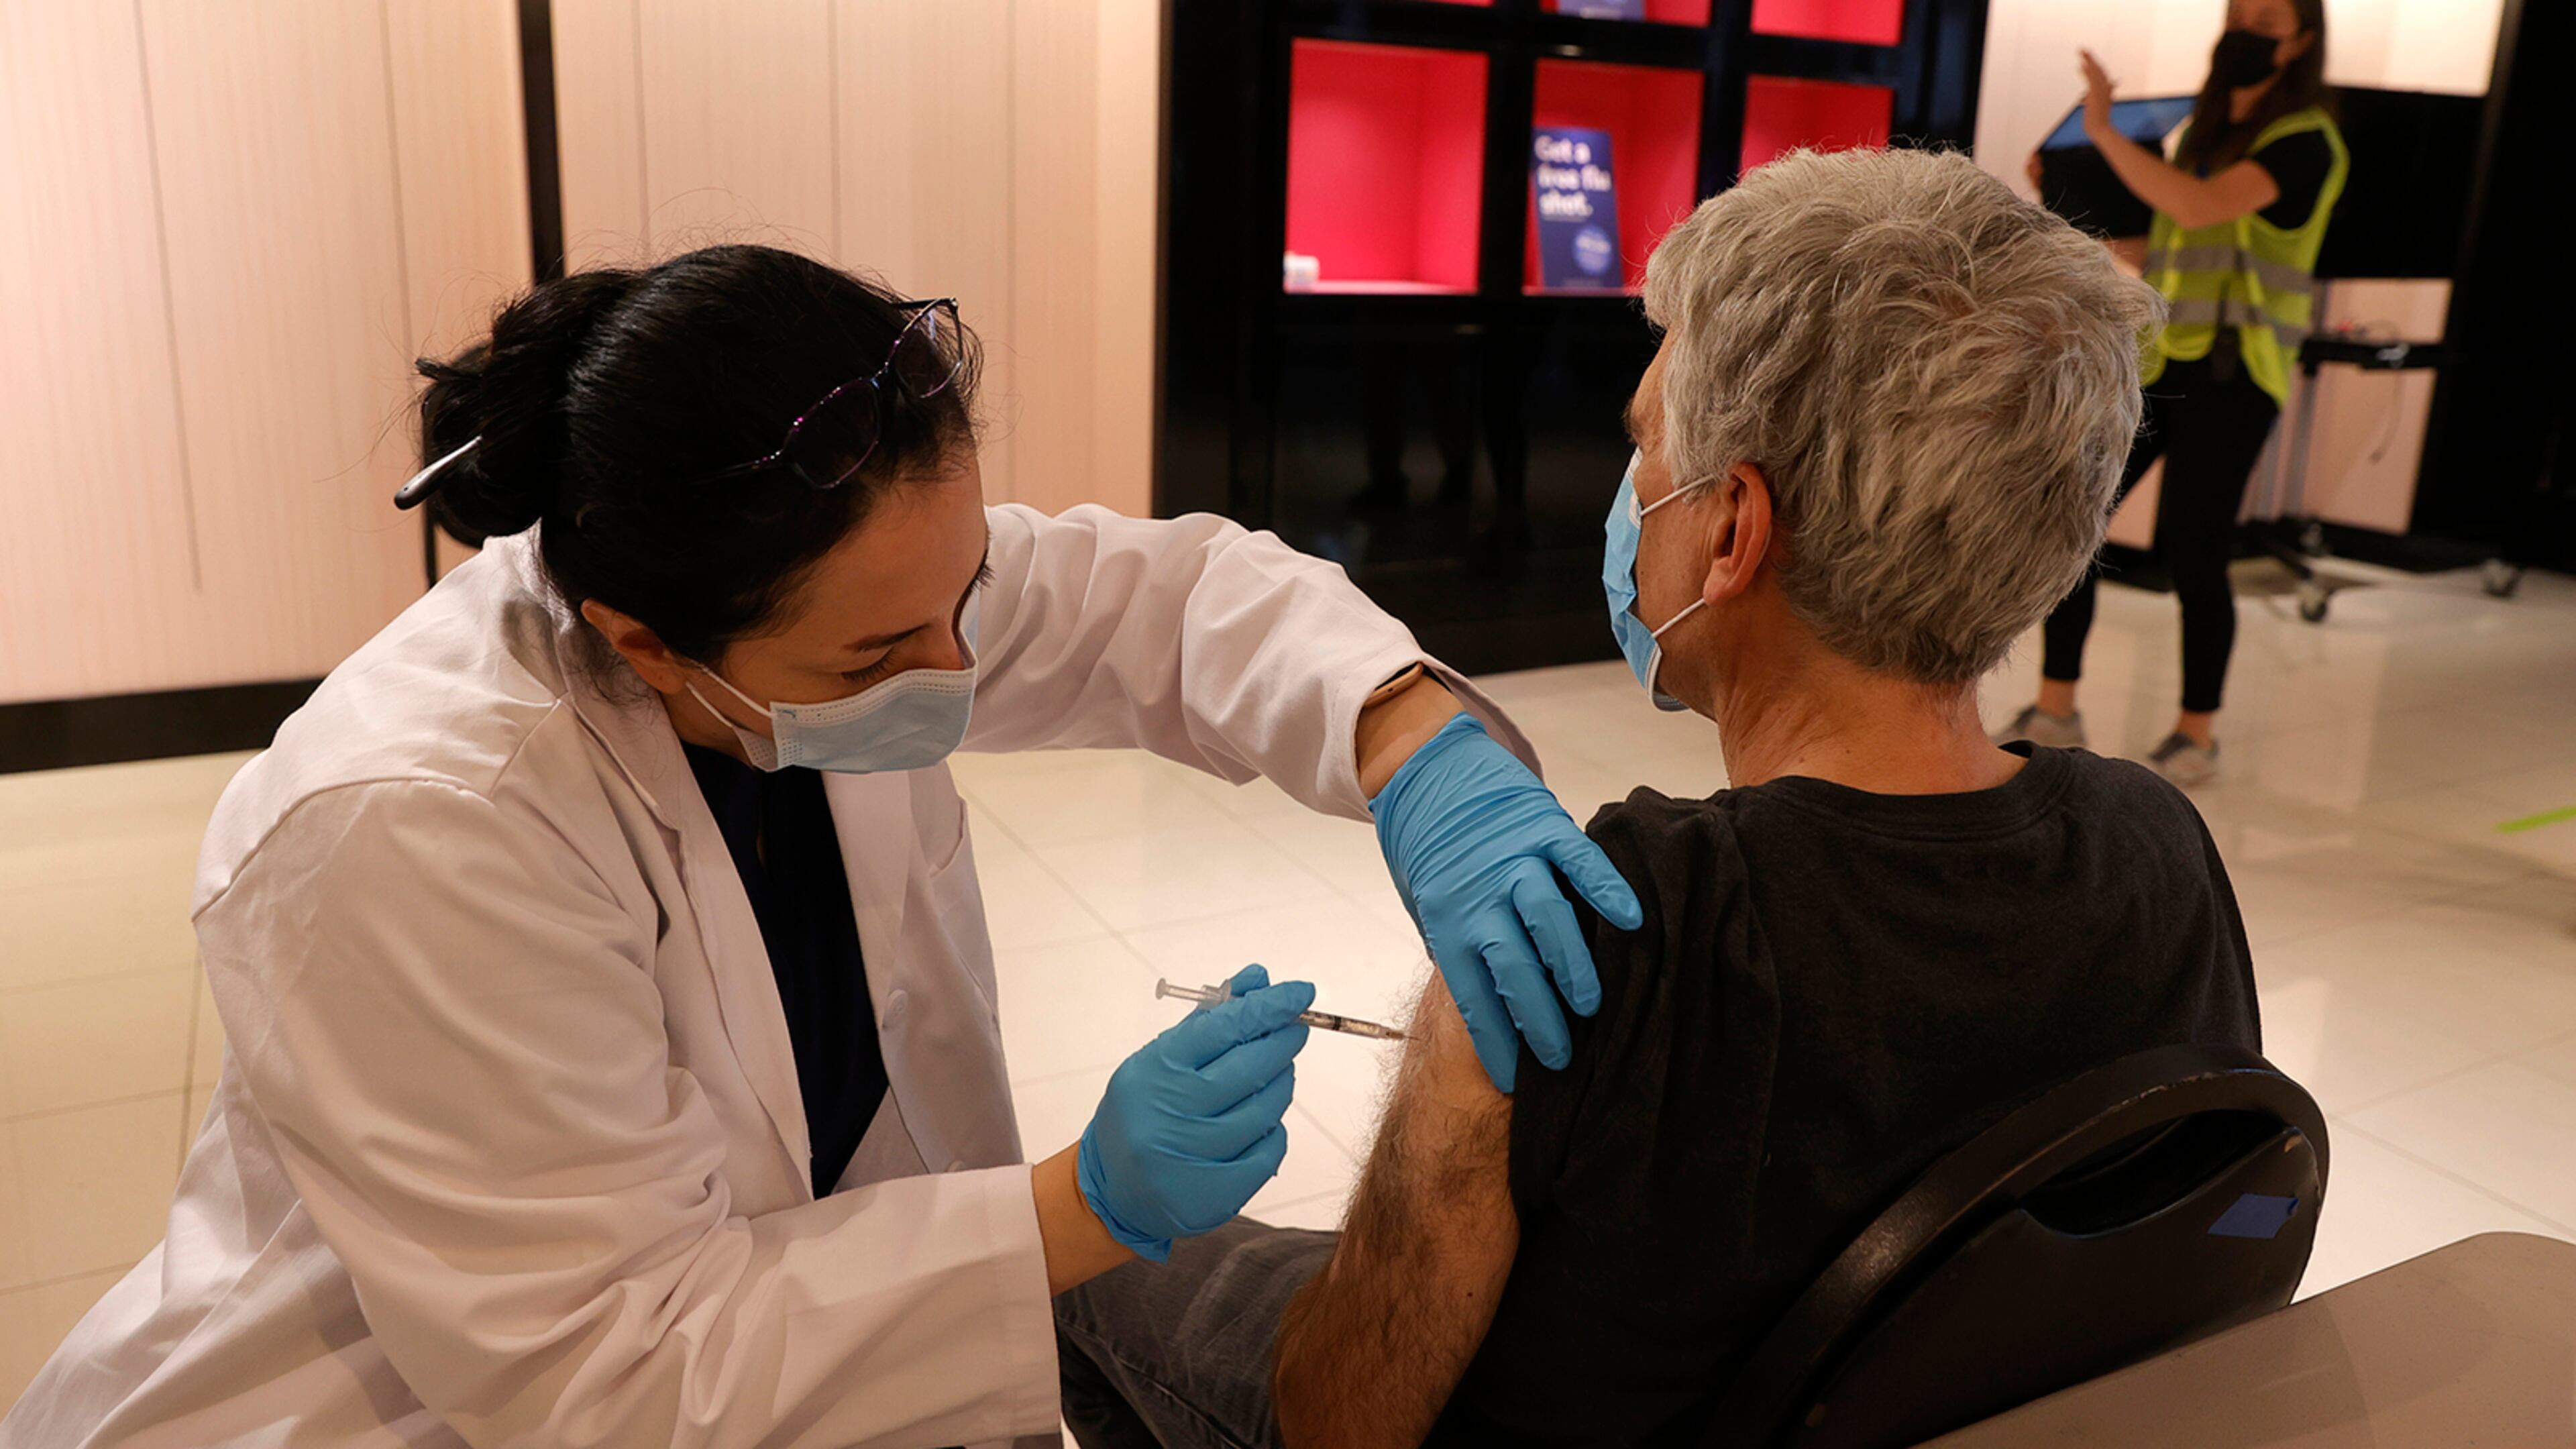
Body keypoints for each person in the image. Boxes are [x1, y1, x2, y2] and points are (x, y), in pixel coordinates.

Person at [0, 245, 1643, 1449]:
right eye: (872, 663)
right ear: (647, 646)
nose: (953, 671)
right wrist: (1085, 1199)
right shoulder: (406, 829)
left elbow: (1170, 601)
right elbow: (614, 1368)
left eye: (966, 603)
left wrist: (1415, 747)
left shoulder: (855, 578)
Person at [1050, 147, 2266, 1448]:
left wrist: (1440, 1079)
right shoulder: (2162, 852)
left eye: (1642, 448)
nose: (1628, 495)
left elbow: (1339, 1418)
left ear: (1734, 530)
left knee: (1093, 1280)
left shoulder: (1587, 939)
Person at [1998, 0, 2347, 786]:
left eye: (2268, 19)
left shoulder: (2306, 143)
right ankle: (2057, 708)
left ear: (2301, 43)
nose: (2247, 30)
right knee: (2073, 526)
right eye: (2241, 12)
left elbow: (2197, 208)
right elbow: (2165, 243)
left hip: (2239, 369)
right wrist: (2069, 197)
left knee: (2196, 547)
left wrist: (2105, 133)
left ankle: (2197, 734)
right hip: (2165, 362)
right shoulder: (2203, 137)